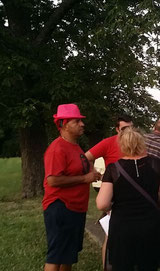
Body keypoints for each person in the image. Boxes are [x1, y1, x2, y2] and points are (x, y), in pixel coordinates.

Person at [96, 127, 160, 271]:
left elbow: (102, 203)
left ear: (122, 145)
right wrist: (159, 216)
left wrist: (110, 209)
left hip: (122, 228)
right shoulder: (156, 164)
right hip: (150, 226)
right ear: (141, 143)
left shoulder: (114, 169)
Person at [42, 104, 102, 271]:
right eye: (77, 121)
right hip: (61, 207)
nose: (82, 124)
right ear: (64, 124)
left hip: (76, 208)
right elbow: (53, 180)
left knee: (68, 255)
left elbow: (80, 167)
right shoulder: (57, 148)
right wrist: (85, 178)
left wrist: (92, 172)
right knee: (56, 255)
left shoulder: (75, 146)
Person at [84, 115, 133, 269]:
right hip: (113, 195)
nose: (128, 131)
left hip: (133, 195)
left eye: (131, 127)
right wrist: (92, 174)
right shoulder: (109, 142)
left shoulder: (136, 142)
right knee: (111, 235)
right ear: (117, 129)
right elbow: (86, 157)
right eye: (124, 128)